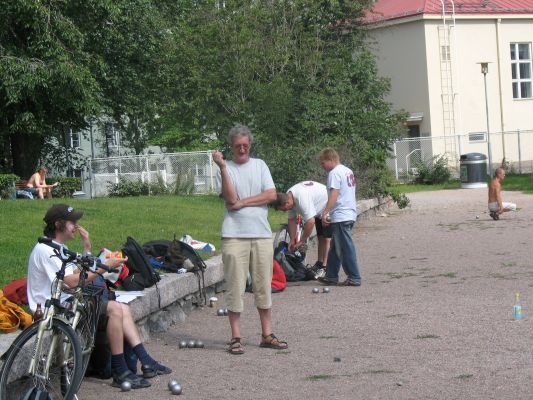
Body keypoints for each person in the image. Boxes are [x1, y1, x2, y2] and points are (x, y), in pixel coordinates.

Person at [27, 204, 171, 389]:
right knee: (115, 309)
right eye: (72, 222)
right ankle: (120, 371)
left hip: (66, 302)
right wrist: (104, 267)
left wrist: (88, 248)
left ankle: (146, 360)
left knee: (122, 307)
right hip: (53, 310)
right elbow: (71, 282)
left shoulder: (56, 247)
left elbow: (75, 271)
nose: (76, 226)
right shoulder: (45, 250)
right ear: (58, 225)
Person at [212, 124, 288, 355]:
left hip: (261, 234)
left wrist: (243, 203)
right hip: (234, 234)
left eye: (245, 145)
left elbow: (272, 195)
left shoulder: (260, 165)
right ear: (231, 147)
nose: (242, 149)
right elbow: (230, 197)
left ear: (250, 145)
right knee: (235, 286)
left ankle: (267, 334)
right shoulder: (226, 169)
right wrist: (223, 167)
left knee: (263, 284)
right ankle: (236, 337)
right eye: (237, 146)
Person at [316, 148, 362, 287]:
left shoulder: (334, 173)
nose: (322, 166)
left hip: (341, 215)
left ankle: (354, 277)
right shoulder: (347, 170)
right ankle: (331, 276)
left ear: (331, 160)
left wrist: (326, 212)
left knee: (345, 248)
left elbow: (334, 194)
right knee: (336, 247)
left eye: (323, 163)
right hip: (349, 212)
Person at [272, 181, 331, 277]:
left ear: (286, 202)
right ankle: (320, 263)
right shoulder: (288, 195)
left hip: (328, 203)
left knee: (326, 238)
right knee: (320, 237)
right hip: (317, 207)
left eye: (284, 209)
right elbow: (291, 220)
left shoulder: (301, 198)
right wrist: (292, 239)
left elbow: (310, 221)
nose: (285, 211)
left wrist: (302, 241)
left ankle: (325, 267)